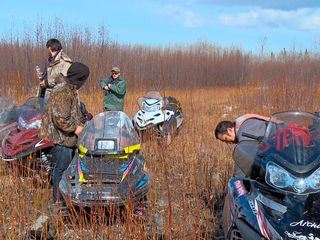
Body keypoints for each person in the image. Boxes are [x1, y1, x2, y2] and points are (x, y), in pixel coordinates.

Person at [40, 61, 89, 207]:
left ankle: (66, 198)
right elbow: (60, 118)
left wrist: (86, 121)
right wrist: (76, 129)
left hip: (67, 139)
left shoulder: (69, 89)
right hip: (62, 140)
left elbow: (72, 112)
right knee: (61, 170)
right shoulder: (63, 91)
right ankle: (58, 202)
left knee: (67, 169)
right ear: (79, 78)